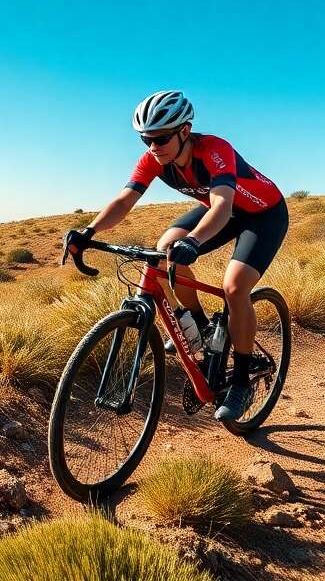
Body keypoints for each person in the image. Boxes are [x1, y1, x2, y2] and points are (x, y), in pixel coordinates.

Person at [63, 90, 287, 421]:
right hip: (219, 212)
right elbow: (124, 201)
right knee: (166, 248)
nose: (153, 146)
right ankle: (198, 324)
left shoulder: (214, 150)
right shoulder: (154, 160)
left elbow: (223, 205)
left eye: (161, 138)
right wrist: (89, 231)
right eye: (145, 140)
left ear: (184, 130)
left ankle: (240, 381)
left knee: (235, 287)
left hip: (263, 215)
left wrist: (195, 240)